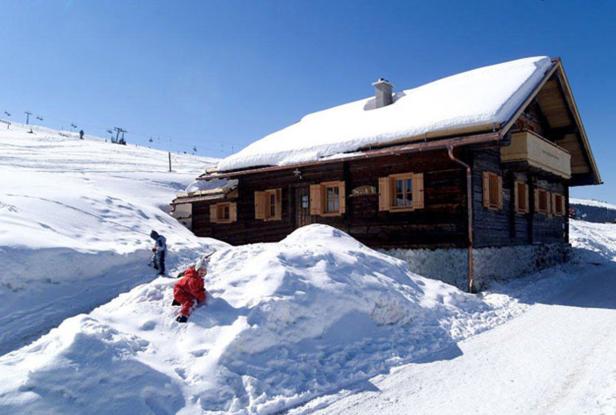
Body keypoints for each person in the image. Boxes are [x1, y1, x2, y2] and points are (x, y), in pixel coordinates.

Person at [172, 256, 208, 323]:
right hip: (180, 292)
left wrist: (201, 289)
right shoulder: (193, 280)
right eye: (201, 270)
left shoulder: (197, 277)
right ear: (197, 269)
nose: (202, 272)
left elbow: (197, 287)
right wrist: (202, 296)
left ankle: (178, 301)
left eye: (204, 270)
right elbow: (195, 291)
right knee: (189, 302)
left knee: (191, 296)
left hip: (184, 289)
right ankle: (183, 316)